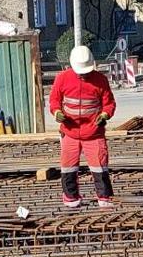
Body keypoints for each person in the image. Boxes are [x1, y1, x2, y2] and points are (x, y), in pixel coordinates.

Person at [50, 45, 117, 207]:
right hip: (70, 132)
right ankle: (71, 197)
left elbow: (109, 104)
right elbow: (54, 101)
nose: (83, 75)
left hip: (94, 133)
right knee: (68, 167)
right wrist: (57, 112)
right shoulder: (62, 78)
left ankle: (104, 197)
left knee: (99, 167)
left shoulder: (100, 80)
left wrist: (105, 115)